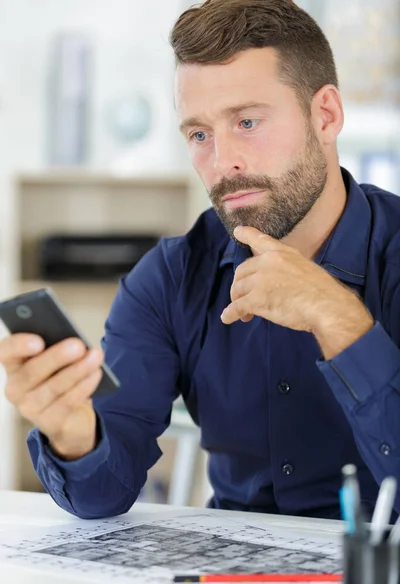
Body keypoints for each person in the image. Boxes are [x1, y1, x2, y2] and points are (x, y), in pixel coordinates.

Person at [1, 0, 400, 520]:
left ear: (325, 115)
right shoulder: (167, 280)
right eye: (199, 134)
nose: (222, 161)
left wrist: (340, 320)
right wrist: (75, 435)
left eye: (248, 121)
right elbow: (103, 493)